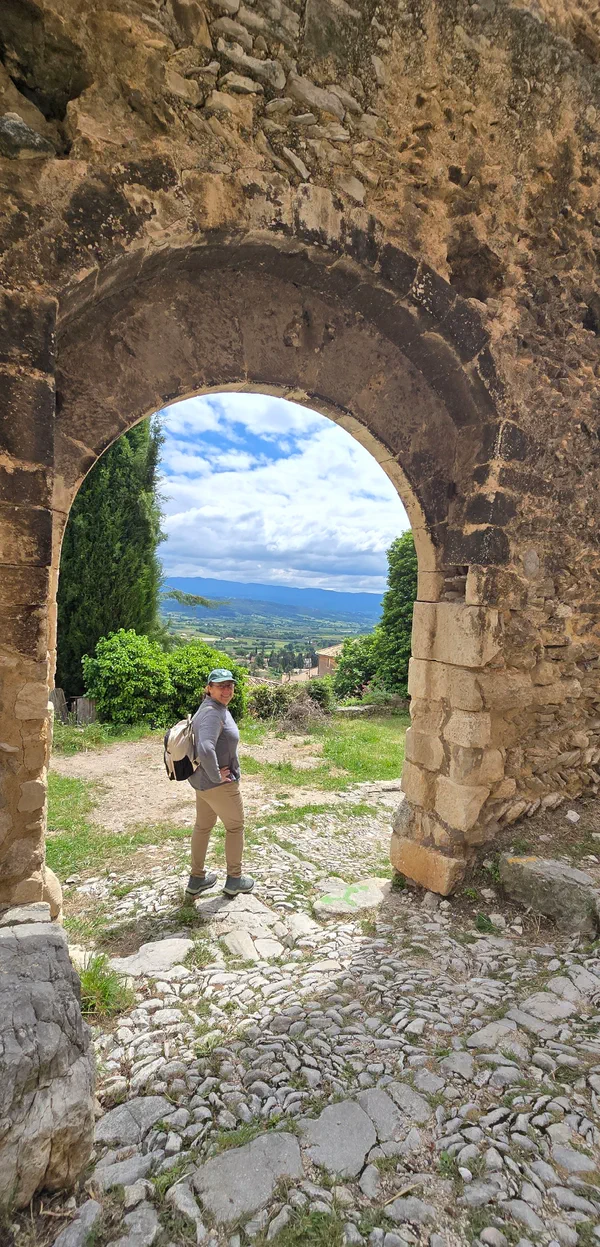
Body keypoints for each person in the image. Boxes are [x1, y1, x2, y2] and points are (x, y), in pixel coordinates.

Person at [185, 668, 254, 900]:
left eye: (230, 685)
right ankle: (234, 879)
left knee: (203, 827)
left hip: (202, 784)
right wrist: (216, 775)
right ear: (209, 688)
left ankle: (196, 879)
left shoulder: (209, 707)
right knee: (235, 827)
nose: (226, 690)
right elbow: (205, 748)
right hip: (217, 786)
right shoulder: (213, 713)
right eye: (220, 686)